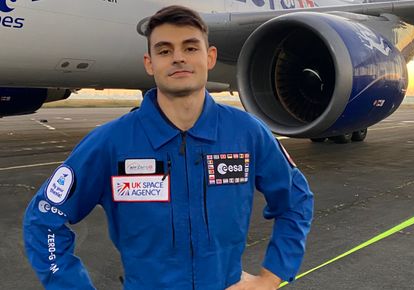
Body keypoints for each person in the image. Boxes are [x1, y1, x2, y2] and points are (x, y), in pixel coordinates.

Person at [23, 5, 313, 290]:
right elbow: (44, 219)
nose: (178, 58)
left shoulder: (248, 134)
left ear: (210, 57)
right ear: (149, 63)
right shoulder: (111, 143)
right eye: (164, 50)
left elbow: (296, 201)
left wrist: (271, 277)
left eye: (190, 48)